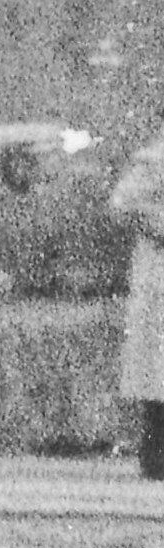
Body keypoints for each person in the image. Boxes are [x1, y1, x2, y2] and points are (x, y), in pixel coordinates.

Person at [110, 123, 164, 479]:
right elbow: (123, 203)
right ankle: (156, 456)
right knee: (157, 373)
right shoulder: (156, 157)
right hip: (159, 274)